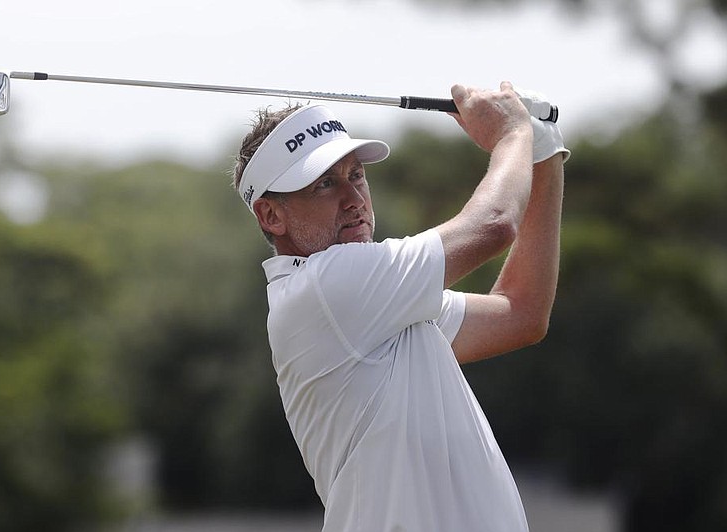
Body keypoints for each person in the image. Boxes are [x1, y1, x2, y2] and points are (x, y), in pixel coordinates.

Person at [232, 82, 569, 532]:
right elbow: (492, 226)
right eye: (324, 185)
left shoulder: (376, 301)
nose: (354, 200)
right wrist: (512, 137)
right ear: (271, 215)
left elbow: (520, 314)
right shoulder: (325, 289)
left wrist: (542, 158)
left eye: (356, 175)